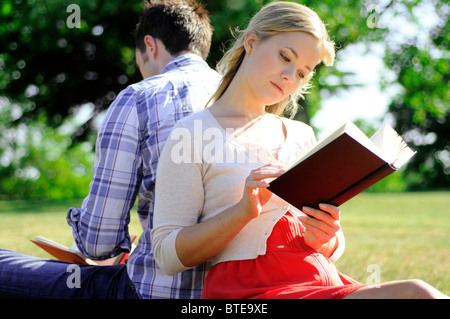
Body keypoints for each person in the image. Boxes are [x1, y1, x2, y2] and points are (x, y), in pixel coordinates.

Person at [151, 1, 448, 299]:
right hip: (253, 289)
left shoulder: (301, 135)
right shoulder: (191, 134)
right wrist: (242, 211)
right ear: (251, 42)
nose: (290, 76)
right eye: (284, 57)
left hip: (320, 280)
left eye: (303, 73)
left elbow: (332, 246)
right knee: (416, 293)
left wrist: (327, 236)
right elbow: (167, 255)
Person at [0, 0, 220, 299]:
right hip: (228, 289)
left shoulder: (141, 97)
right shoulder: (244, 99)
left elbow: (98, 243)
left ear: (150, 46)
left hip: (150, 290)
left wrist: (102, 243)